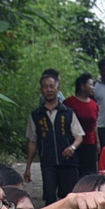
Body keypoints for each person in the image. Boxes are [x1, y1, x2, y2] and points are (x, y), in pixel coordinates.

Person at [27, 72, 81, 202]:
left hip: (68, 162)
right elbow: (32, 141)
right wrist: (28, 167)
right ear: (41, 90)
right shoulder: (36, 115)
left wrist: (72, 147)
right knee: (50, 197)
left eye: (51, 86)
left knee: (69, 197)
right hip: (48, 162)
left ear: (58, 88)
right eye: (45, 87)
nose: (49, 90)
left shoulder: (68, 112)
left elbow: (79, 136)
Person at [69, 73, 100, 176]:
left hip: (89, 144)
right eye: (90, 85)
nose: (93, 88)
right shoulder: (70, 102)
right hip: (74, 143)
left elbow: (94, 124)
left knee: (90, 174)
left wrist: (97, 142)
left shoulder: (93, 104)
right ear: (82, 86)